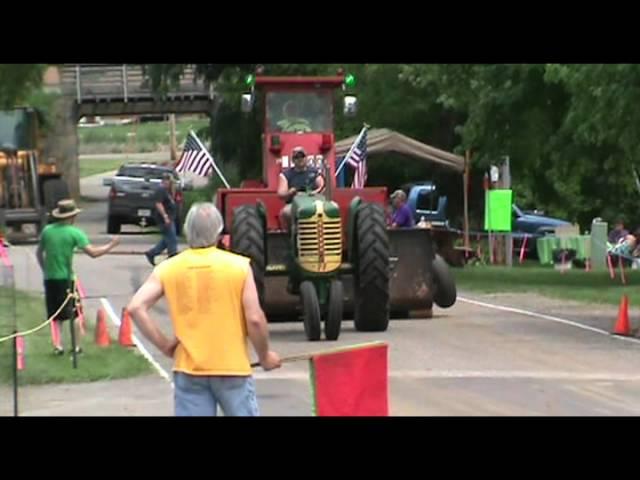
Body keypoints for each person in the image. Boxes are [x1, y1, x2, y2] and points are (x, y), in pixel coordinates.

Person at [127, 202, 281, 416]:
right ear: (219, 233)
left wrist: (164, 346)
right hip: (232, 368)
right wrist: (264, 355)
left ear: (186, 231)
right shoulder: (239, 266)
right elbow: (254, 319)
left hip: (189, 369)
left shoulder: (168, 268)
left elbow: (136, 307)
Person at [36, 199, 120, 355]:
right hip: (67, 278)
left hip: (50, 278)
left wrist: (45, 269)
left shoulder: (47, 231)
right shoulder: (75, 233)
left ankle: (58, 346)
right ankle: (75, 346)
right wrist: (111, 245)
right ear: (71, 217)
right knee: (74, 312)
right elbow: (93, 253)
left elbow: (39, 253)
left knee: (55, 314)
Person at [277, 146, 324, 230]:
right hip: (294, 204)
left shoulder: (314, 172)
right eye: (296, 157)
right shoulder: (286, 175)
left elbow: (322, 185)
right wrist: (290, 192)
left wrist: (317, 190)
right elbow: (281, 193)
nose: (300, 159)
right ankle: (293, 233)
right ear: (293, 160)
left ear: (306, 158)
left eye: (302, 156)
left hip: (314, 201)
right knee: (286, 212)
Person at [145, 173, 177, 266]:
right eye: (169, 181)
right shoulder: (160, 190)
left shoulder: (167, 190)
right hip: (164, 219)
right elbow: (158, 204)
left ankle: (151, 253)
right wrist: (165, 216)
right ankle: (172, 258)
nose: (170, 183)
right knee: (172, 239)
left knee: (167, 239)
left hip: (169, 218)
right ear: (165, 180)